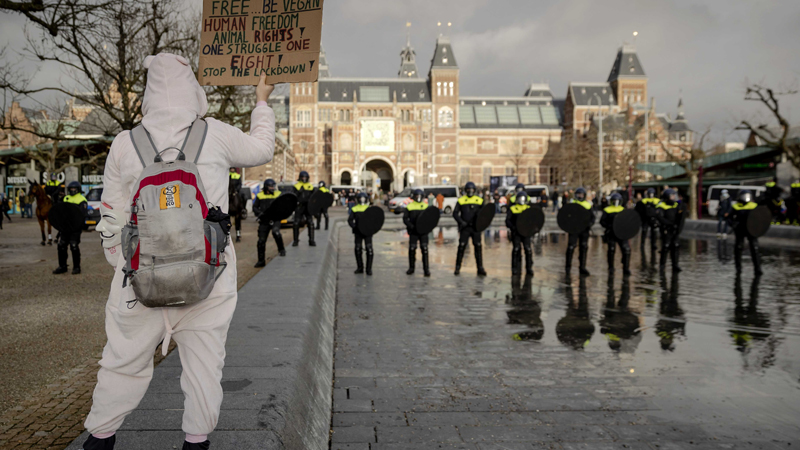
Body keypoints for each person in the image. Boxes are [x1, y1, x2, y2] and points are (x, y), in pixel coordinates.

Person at [83, 54, 276, 450]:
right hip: (209, 278)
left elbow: (111, 214)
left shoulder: (124, 143)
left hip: (139, 280)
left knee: (121, 363)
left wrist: (120, 262)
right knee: (204, 366)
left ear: (148, 95)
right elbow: (262, 149)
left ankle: (100, 438)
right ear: (194, 90)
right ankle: (195, 441)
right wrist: (261, 100)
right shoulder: (216, 134)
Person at [51, 181, 87, 275]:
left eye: (74, 189)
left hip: (75, 228)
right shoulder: (66, 198)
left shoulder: (82, 199)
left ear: (78, 189)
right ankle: (62, 266)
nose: (72, 190)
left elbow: (82, 215)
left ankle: (76, 267)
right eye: (70, 189)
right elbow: (60, 211)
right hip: (65, 227)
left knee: (74, 246)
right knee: (61, 245)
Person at [453, 181, 487, 276]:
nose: (470, 191)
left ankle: (480, 268)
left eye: (472, 189)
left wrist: (481, 224)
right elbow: (455, 213)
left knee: (478, 247)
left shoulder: (479, 200)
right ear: (465, 190)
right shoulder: (461, 200)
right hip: (465, 228)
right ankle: (457, 267)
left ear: (475, 190)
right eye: (468, 189)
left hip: (476, 228)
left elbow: (485, 214)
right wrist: (461, 222)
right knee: (461, 246)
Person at [728, 190, 763, 275]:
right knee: (738, 247)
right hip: (740, 229)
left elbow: (760, 217)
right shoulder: (736, 206)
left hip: (751, 229)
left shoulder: (754, 205)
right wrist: (733, 224)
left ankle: (757, 269)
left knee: (755, 248)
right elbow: (729, 217)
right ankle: (738, 269)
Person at [252, 178, 285, 267]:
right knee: (261, 241)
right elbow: (254, 207)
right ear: (266, 187)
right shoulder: (259, 196)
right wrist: (259, 213)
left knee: (276, 232)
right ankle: (261, 261)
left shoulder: (278, 194)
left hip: (275, 219)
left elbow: (283, 206)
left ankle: (281, 250)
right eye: (271, 186)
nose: (273, 188)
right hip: (264, 221)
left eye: (273, 186)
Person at [600, 192, 631, 275]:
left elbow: (628, 221)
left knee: (626, 249)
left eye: (617, 200)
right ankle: (611, 267)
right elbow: (602, 221)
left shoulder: (623, 210)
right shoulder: (607, 210)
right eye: (614, 200)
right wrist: (610, 226)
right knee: (611, 250)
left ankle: (626, 268)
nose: (616, 202)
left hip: (622, 233)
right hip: (611, 233)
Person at [565, 187, 594, 276]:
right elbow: (565, 216)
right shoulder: (572, 204)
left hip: (584, 230)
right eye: (578, 195)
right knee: (571, 247)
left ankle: (582, 267)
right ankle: (568, 267)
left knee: (584, 247)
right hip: (574, 230)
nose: (580, 196)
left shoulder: (588, 205)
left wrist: (589, 224)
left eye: (581, 195)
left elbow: (592, 218)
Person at [403, 189, 431, 276]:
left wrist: (427, 227)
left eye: (419, 196)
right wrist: (410, 226)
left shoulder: (425, 206)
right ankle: (411, 268)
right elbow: (405, 218)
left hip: (423, 232)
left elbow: (429, 219)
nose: (418, 198)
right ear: (414, 197)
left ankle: (426, 269)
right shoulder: (409, 206)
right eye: (416, 196)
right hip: (413, 231)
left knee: (424, 249)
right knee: (412, 249)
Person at [654, 188, 682, 273]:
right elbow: (660, 218)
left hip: (674, 229)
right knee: (666, 246)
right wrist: (669, 224)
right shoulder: (661, 205)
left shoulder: (676, 205)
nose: (674, 197)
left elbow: (680, 216)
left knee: (675, 246)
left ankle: (675, 265)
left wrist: (677, 225)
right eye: (672, 195)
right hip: (666, 229)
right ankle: (662, 265)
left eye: (674, 195)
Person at [505, 192, 533, 275]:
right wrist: (512, 227)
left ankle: (529, 268)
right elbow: (508, 220)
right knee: (516, 249)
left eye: (523, 198)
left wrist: (532, 229)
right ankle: (514, 268)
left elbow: (533, 220)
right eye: (520, 198)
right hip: (516, 232)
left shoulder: (528, 208)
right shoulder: (513, 208)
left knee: (528, 249)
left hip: (526, 232)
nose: (521, 200)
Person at [348, 192, 373, 276]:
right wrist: (354, 226)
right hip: (358, 232)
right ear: (357, 199)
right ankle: (360, 267)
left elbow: (374, 220)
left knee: (369, 249)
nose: (362, 200)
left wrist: (371, 228)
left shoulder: (369, 209)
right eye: (360, 198)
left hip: (367, 232)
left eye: (363, 198)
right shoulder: (355, 209)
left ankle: (369, 269)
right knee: (358, 249)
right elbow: (350, 220)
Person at [292, 170, 315, 247]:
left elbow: (314, 197)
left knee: (310, 223)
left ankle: (311, 240)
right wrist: (299, 192)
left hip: (308, 207)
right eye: (303, 177)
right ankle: (295, 240)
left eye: (305, 177)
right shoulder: (296, 186)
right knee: (296, 223)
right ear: (300, 178)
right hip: (299, 206)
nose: (304, 178)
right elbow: (293, 196)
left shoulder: (311, 186)